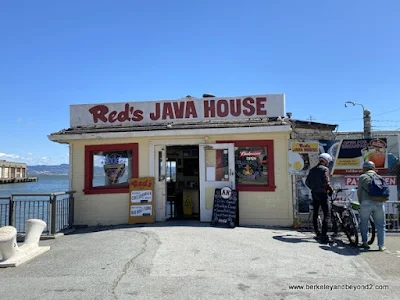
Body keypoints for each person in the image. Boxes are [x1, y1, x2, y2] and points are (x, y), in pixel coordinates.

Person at [357, 161, 386, 251]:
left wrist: (361, 202)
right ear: (373, 168)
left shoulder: (362, 177)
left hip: (366, 202)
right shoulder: (379, 177)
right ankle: (381, 245)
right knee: (381, 225)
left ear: (364, 168)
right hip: (379, 203)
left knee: (364, 223)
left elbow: (359, 191)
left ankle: (365, 242)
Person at [305, 153, 334, 243]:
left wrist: (313, 188)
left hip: (314, 193)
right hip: (322, 194)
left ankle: (317, 233)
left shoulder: (312, 170)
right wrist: (331, 190)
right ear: (326, 161)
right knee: (327, 214)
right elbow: (326, 182)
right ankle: (324, 236)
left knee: (316, 213)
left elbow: (307, 182)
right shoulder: (325, 170)